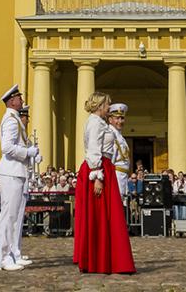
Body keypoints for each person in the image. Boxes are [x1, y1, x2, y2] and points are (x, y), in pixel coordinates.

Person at [73, 91, 134, 275]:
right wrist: (97, 176)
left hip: (105, 168)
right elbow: (93, 150)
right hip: (99, 170)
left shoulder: (99, 122)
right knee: (101, 216)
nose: (109, 108)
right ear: (100, 105)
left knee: (107, 216)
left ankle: (107, 259)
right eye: (107, 105)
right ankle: (100, 260)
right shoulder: (94, 123)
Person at [0, 84, 40, 272]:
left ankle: (12, 254)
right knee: (9, 216)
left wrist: (30, 155)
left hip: (16, 171)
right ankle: (4, 258)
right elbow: (7, 148)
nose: (22, 100)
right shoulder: (11, 120)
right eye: (19, 98)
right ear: (12, 101)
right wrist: (27, 152)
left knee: (14, 217)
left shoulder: (14, 119)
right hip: (11, 171)